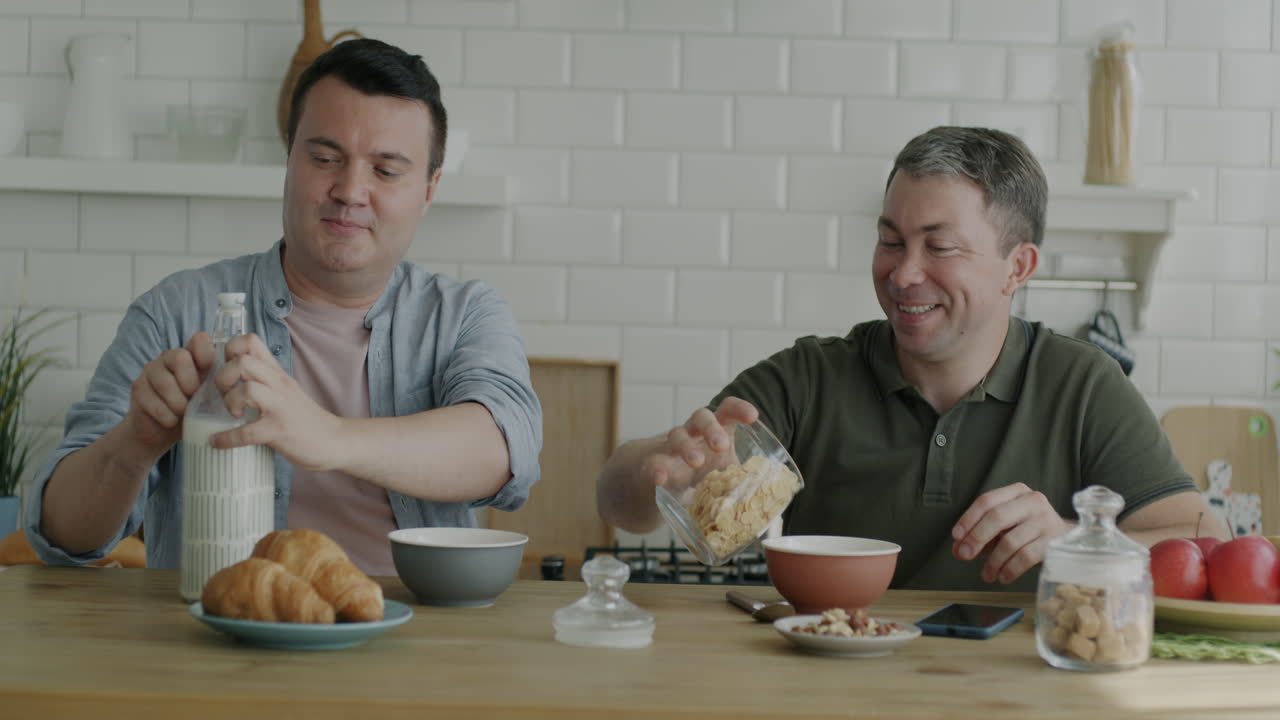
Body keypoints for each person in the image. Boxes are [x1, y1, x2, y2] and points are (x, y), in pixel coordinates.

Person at [597, 126, 1224, 591]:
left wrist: (1080, 542)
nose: (903, 273)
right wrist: (665, 469)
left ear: (1018, 267)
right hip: (827, 681)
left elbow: (1205, 541)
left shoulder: (1081, 385)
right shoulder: (811, 377)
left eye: (939, 246)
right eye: (890, 241)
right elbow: (617, 501)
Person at [25, 38, 542, 576]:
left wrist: (326, 435)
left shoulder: (465, 315)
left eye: (386, 171)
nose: (349, 191)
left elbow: (503, 451)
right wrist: (133, 445)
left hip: (419, 644)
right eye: (324, 158)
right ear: (290, 159)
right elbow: (61, 537)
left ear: (430, 189)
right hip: (221, 640)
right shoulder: (177, 311)